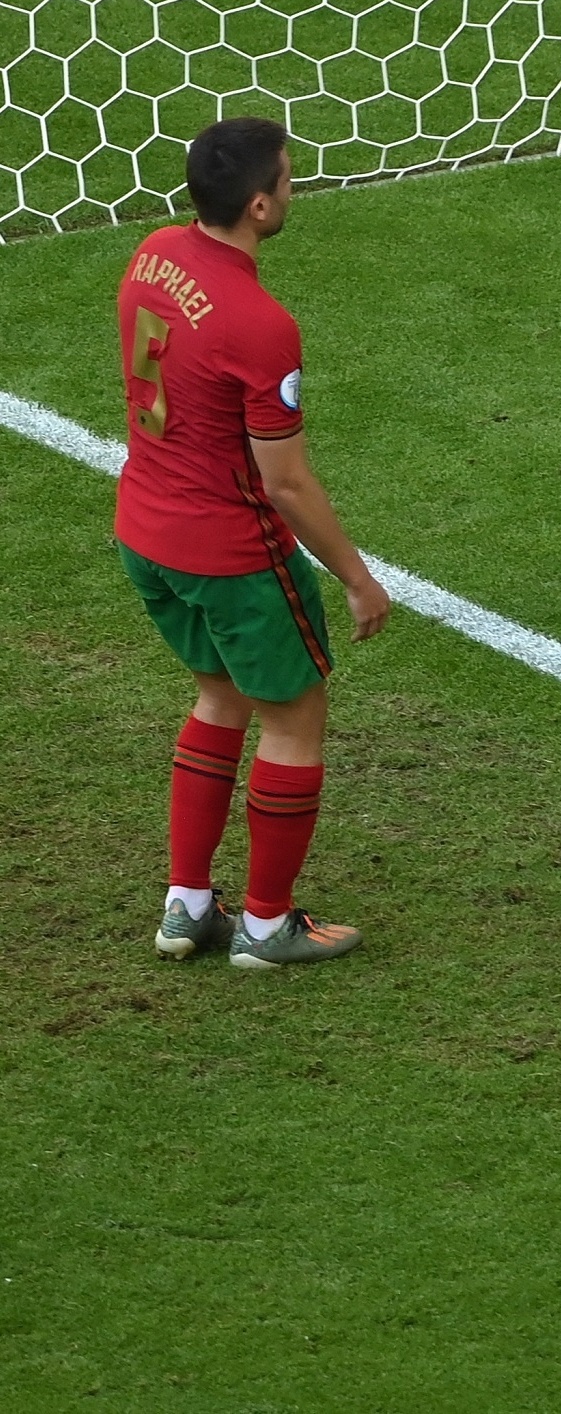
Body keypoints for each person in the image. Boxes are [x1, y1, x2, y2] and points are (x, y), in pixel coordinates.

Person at [117, 117, 390, 969]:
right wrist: (357, 578)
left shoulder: (152, 252)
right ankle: (267, 925)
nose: (295, 189)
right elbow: (286, 483)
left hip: (146, 532)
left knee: (218, 698)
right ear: (261, 205)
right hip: (230, 553)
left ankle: (188, 905)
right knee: (294, 716)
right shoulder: (260, 324)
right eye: (290, 179)